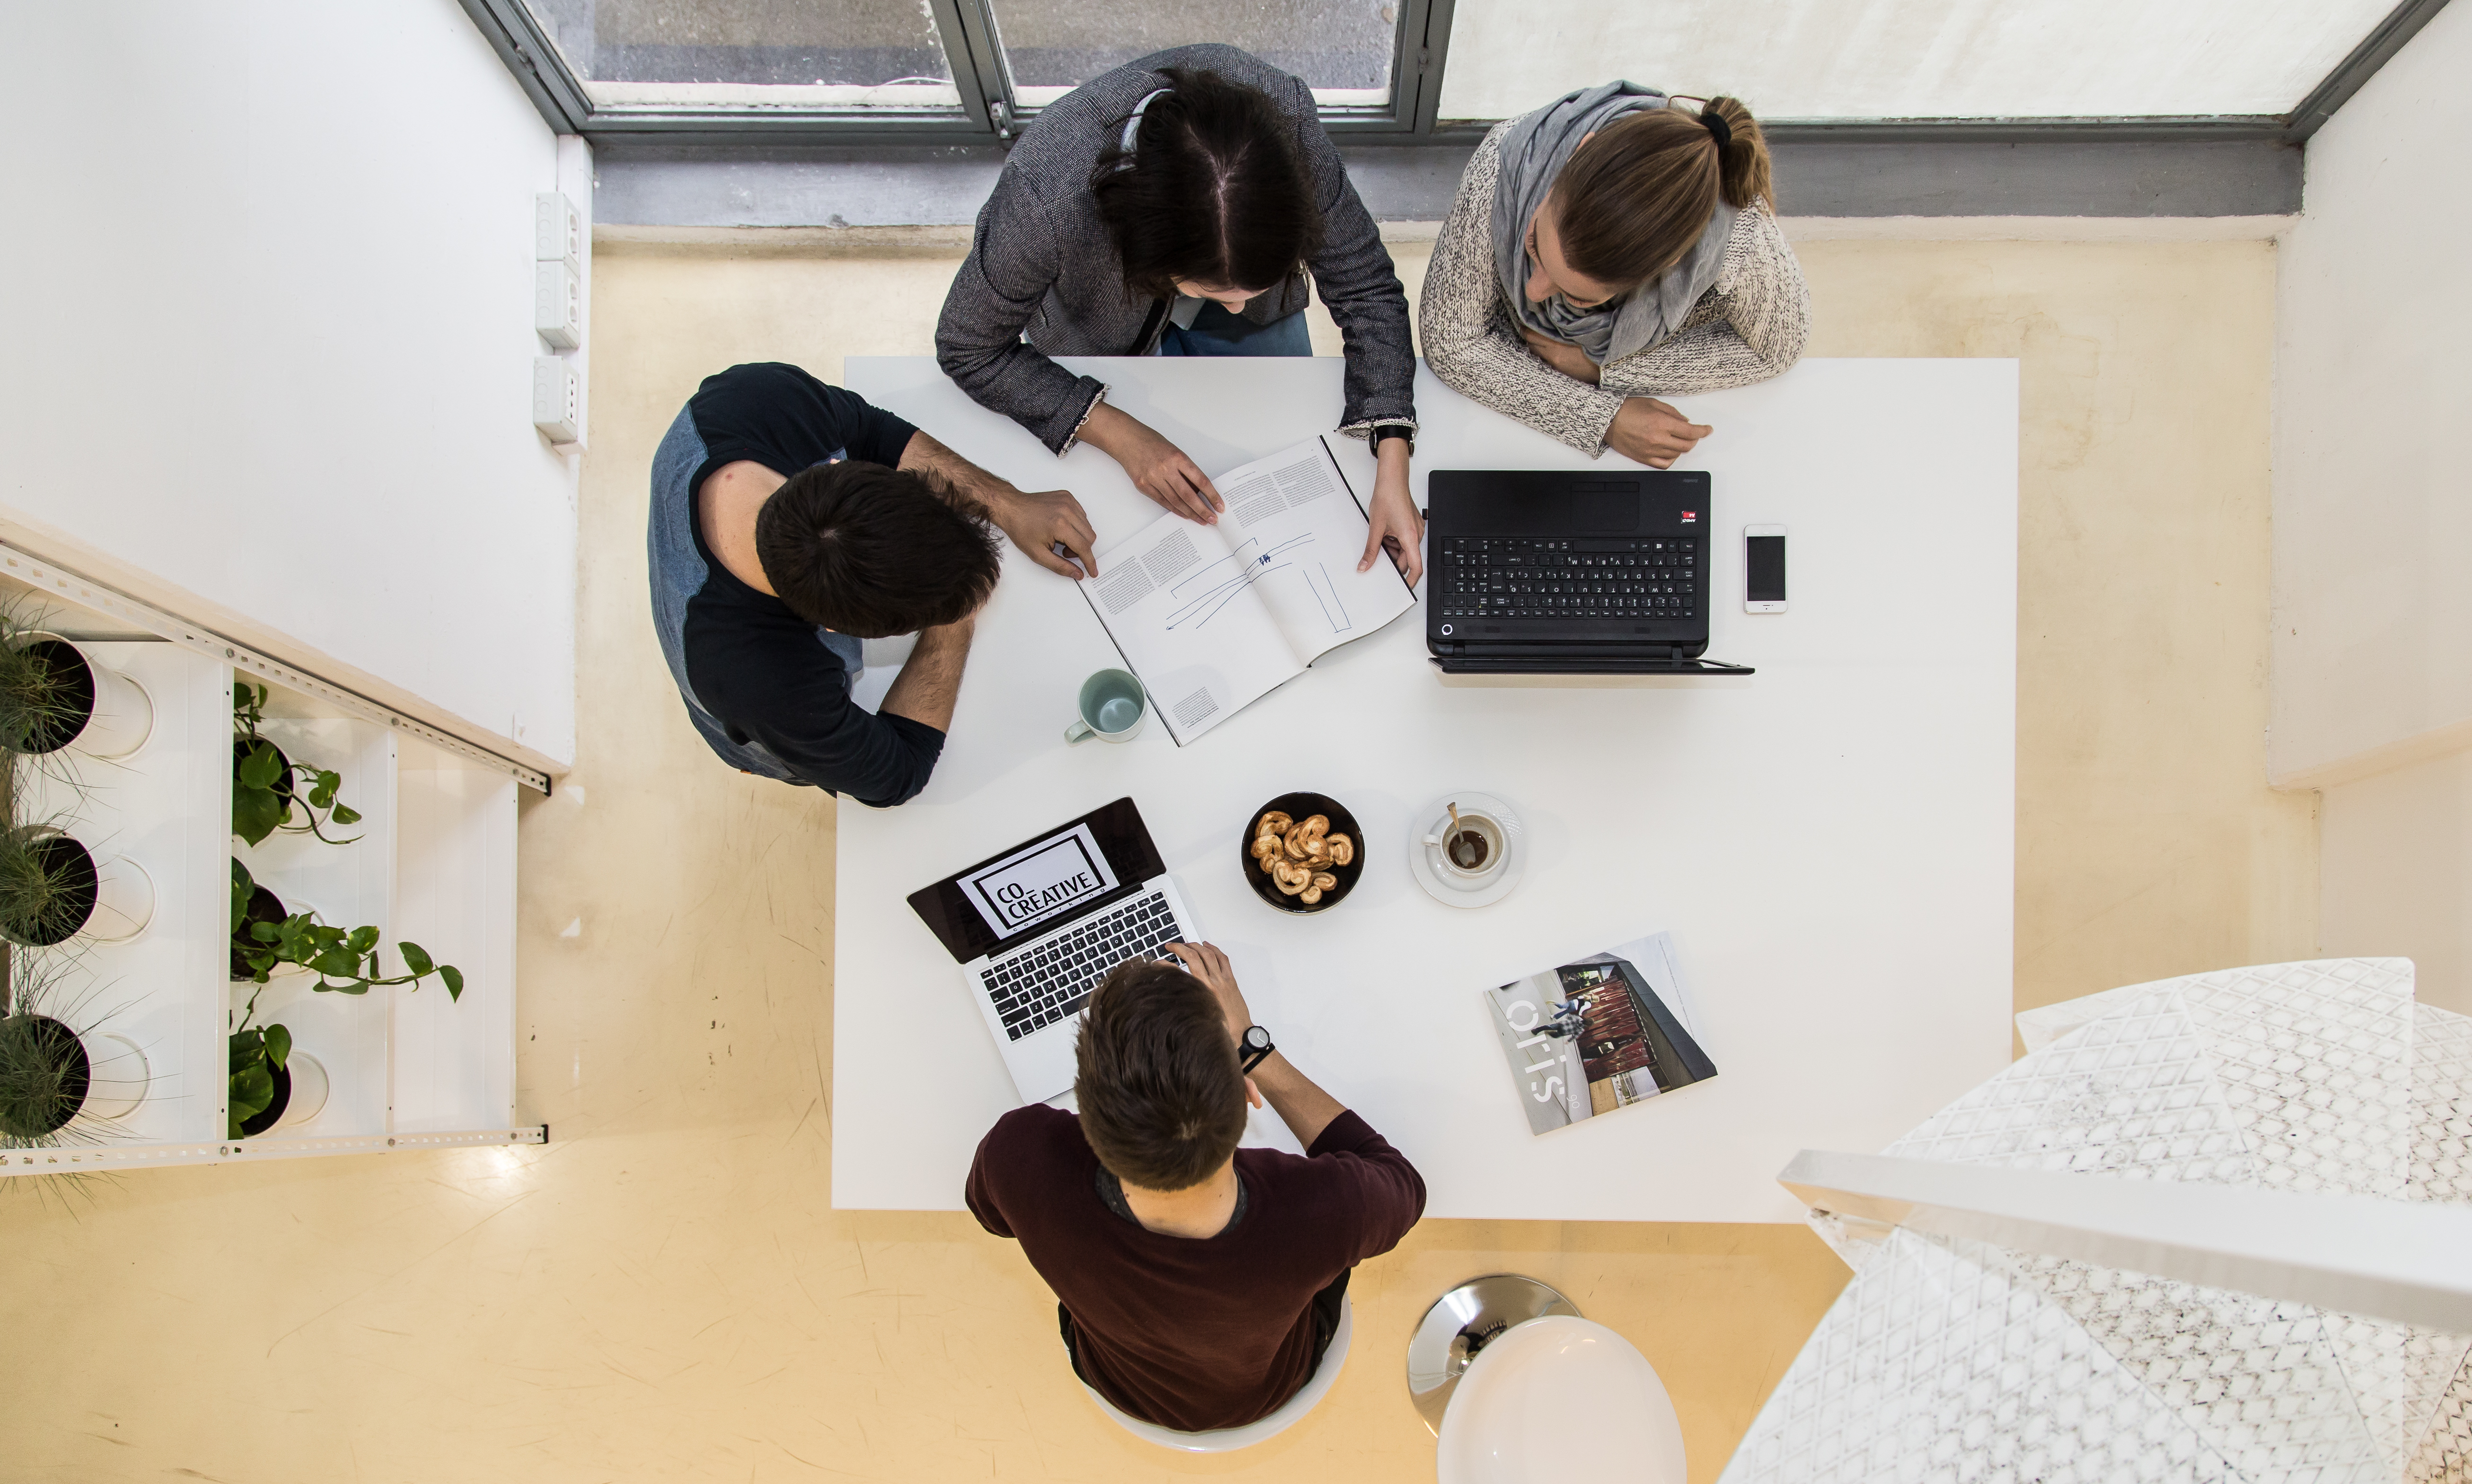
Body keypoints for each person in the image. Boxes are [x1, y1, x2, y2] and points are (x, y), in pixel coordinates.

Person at [937, 43, 1426, 586]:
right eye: (1218, 291)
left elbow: (1365, 285)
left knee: (1278, 430)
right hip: (1098, 326)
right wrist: (1120, 435)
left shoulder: (1285, 120)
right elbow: (968, 345)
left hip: (1241, 309)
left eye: (1250, 288)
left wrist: (1392, 458)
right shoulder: (1042, 195)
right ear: (1150, 253)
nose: (1237, 307)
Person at [966, 942, 1425, 1431]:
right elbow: (1402, 1183)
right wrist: (1254, 1049)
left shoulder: (1021, 1155)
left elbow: (992, 1217)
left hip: (1118, 1380)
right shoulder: (1323, 1209)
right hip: (1270, 1383)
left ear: (1082, 1111)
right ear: (1248, 1092)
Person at [648, 361, 1097, 807]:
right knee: (784, 756)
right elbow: (897, 774)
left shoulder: (758, 398)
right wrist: (955, 623)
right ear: (833, 630)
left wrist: (1004, 502)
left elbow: (870, 432)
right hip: (754, 728)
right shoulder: (767, 687)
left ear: (839, 467)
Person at [1419, 85, 1810, 469]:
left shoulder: (1744, 243)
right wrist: (1603, 418)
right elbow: (1452, 342)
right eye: (1535, 242)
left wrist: (1602, 371)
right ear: (1580, 150)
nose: (1532, 292)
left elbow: (1776, 348)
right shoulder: (1506, 160)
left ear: (1667, 265)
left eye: (1578, 297)